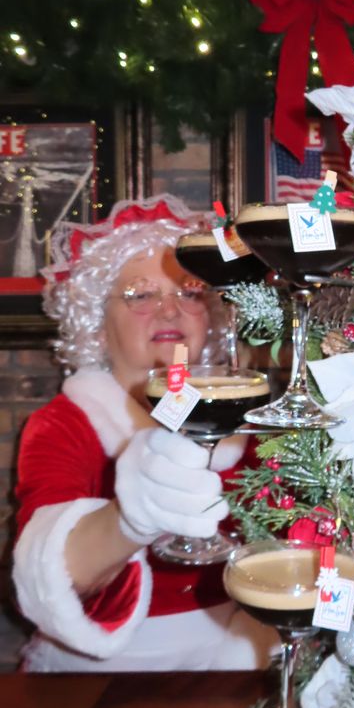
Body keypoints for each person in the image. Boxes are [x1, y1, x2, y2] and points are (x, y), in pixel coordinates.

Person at [11, 195, 277, 672]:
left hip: (236, 662)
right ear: (96, 322)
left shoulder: (249, 421)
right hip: (107, 676)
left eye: (190, 291)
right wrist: (131, 520)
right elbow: (47, 575)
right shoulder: (65, 424)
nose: (170, 311)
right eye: (140, 295)